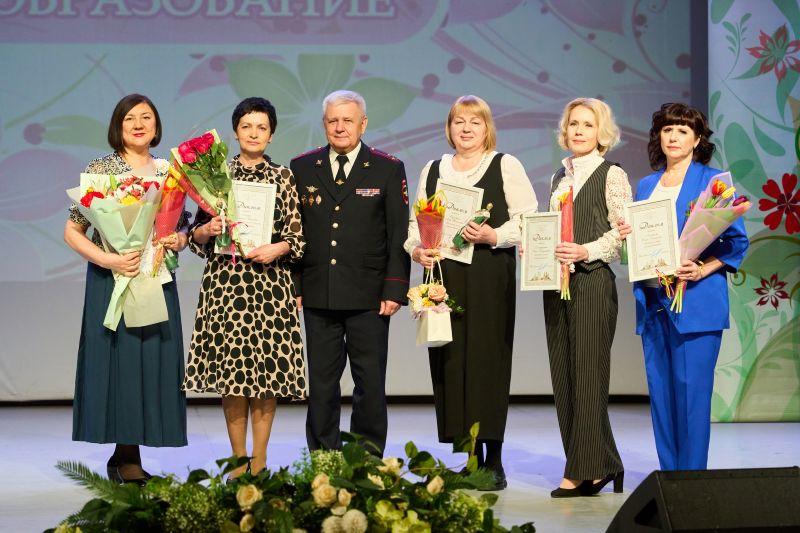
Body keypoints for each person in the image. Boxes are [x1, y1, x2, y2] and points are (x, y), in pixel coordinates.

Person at [406, 95, 538, 490]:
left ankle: (493, 462)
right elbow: (416, 225)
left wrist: (494, 234)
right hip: (442, 275)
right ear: (449, 128)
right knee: (450, 361)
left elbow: (529, 220)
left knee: (486, 362)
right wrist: (416, 250)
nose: (466, 128)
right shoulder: (433, 169)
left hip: (487, 273)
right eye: (459, 121)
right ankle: (468, 459)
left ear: (487, 128)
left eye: (475, 122)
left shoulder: (504, 165)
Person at [63, 94, 189, 484]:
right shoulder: (101, 169)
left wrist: (180, 239)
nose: (138, 124)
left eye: (146, 117)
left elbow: (181, 228)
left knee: (151, 360)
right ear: (118, 126)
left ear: (156, 125)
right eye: (129, 118)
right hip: (112, 277)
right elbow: (72, 231)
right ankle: (126, 456)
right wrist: (109, 260)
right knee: (119, 362)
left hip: (154, 276)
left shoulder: (169, 171)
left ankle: (127, 454)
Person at [618, 103, 748, 471]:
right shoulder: (647, 185)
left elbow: (737, 243)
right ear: (658, 136)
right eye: (667, 129)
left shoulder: (713, 181)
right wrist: (628, 237)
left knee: (692, 400)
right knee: (662, 400)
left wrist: (702, 269)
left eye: (682, 130)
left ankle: (692, 484)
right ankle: (670, 482)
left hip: (697, 304)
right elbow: (641, 248)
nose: (673, 137)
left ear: (697, 139)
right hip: (654, 303)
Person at [182, 97, 306, 479]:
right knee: (233, 379)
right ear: (235, 132)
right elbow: (195, 237)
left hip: (270, 287)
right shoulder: (216, 176)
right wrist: (206, 229)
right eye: (247, 126)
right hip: (227, 286)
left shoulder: (284, 177)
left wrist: (277, 248)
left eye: (262, 127)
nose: (254, 133)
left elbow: (298, 238)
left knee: (266, 379)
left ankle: (260, 461)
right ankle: (238, 463)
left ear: (271, 135)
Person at [290, 90, 410, 456]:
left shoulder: (388, 168)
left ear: (363, 124)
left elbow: (398, 233)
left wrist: (394, 289)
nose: (340, 127)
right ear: (324, 123)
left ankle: (366, 458)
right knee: (321, 384)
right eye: (333, 120)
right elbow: (294, 229)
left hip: (370, 294)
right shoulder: (302, 167)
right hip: (319, 291)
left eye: (347, 120)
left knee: (369, 383)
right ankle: (323, 458)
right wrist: (295, 283)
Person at [543, 97, 631, 498]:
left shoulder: (612, 174)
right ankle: (602, 464)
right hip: (557, 286)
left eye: (587, 125)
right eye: (573, 124)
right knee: (564, 377)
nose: (578, 131)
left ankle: (582, 471)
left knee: (588, 377)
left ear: (602, 133)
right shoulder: (558, 178)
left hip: (593, 282)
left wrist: (586, 250)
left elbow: (622, 234)